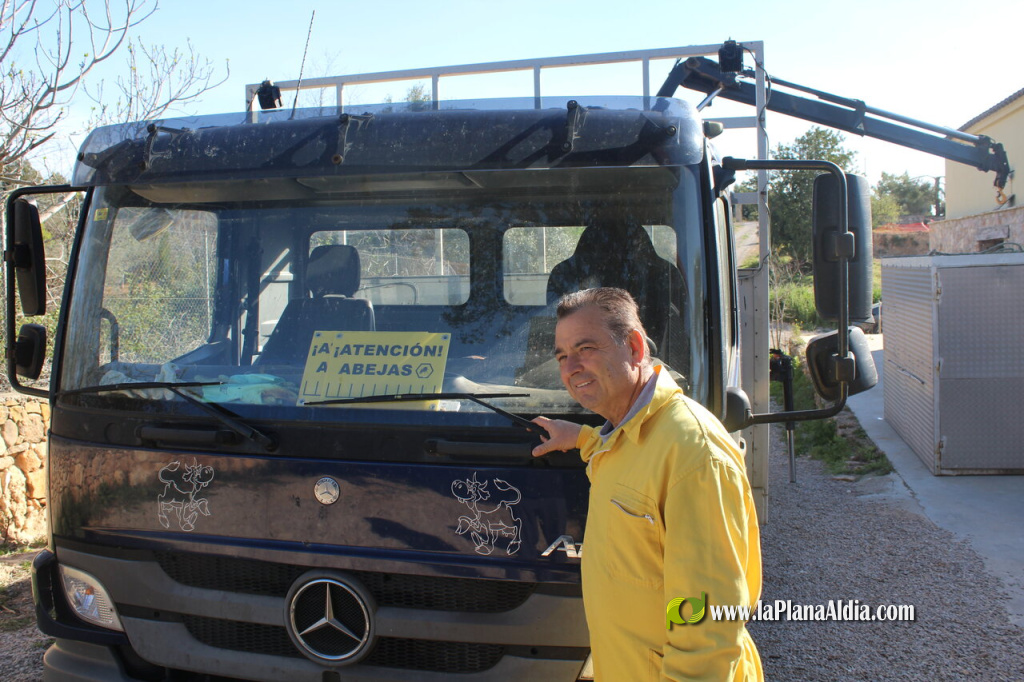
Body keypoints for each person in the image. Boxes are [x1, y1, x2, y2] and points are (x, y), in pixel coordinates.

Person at [532, 287, 762, 681]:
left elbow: (706, 624)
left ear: (636, 347)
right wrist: (582, 438)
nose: (571, 368)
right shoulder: (625, 435)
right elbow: (629, 458)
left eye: (586, 348)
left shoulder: (695, 455)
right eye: (562, 356)